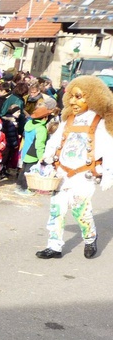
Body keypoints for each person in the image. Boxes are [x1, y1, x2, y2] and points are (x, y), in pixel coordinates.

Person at [35, 76, 113, 259]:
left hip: (84, 175)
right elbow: (54, 142)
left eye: (79, 97)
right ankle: (54, 246)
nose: (72, 101)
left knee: (81, 211)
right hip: (62, 173)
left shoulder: (100, 123)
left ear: (93, 98)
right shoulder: (67, 121)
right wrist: (46, 157)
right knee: (56, 210)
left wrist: (109, 173)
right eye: (71, 96)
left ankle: (90, 237)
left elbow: (110, 150)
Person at [16, 106, 49, 194]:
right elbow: (40, 144)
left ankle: (19, 186)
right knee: (29, 172)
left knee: (23, 169)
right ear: (45, 117)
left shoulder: (29, 124)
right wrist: (41, 156)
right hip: (33, 152)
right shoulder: (41, 129)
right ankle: (25, 189)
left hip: (25, 150)